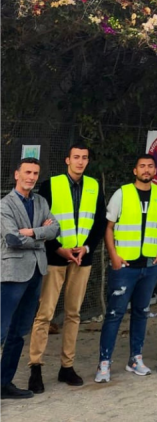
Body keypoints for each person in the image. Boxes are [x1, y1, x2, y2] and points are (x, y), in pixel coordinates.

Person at [28, 143, 107, 392]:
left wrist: (86, 248)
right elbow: (41, 220)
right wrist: (58, 249)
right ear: (67, 160)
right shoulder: (50, 185)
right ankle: (35, 368)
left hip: (81, 258)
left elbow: (99, 222)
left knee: (74, 314)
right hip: (55, 257)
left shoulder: (94, 186)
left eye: (84, 158)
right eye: (76, 157)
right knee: (44, 315)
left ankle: (67, 367)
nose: (80, 162)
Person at [95, 154, 157, 383]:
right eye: (142, 166)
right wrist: (114, 257)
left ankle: (135, 358)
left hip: (149, 265)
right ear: (134, 170)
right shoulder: (122, 193)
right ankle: (104, 363)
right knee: (115, 314)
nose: (146, 170)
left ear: (155, 171)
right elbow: (109, 227)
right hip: (125, 266)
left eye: (150, 166)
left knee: (141, 312)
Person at [1, 158, 59, 399]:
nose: (31, 177)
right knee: (1, 331)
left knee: (19, 331)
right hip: (13, 275)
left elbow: (55, 229)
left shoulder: (41, 201)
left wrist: (32, 232)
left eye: (35, 173)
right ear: (17, 174)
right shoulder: (5, 205)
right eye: (27, 172)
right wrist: (40, 235)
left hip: (36, 273)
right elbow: (12, 239)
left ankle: (4, 384)